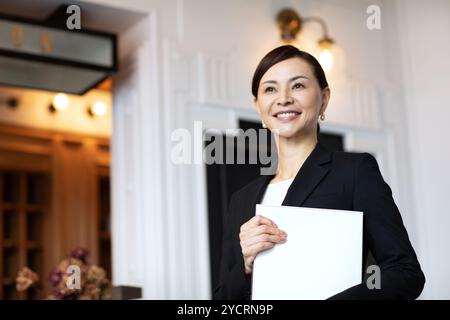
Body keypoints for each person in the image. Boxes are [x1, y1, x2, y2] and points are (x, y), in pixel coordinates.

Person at [213, 45, 425, 300]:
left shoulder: (355, 172)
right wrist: (246, 265)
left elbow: (405, 273)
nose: (283, 98)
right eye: (270, 89)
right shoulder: (241, 200)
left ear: (324, 98)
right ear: (258, 107)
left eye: (298, 86)